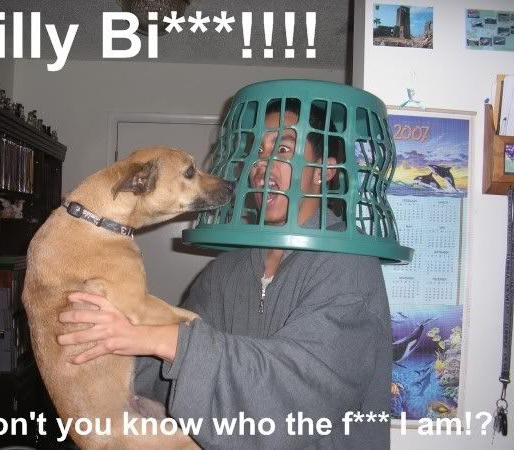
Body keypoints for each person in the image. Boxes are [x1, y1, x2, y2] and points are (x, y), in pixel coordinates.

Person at [57, 99, 392, 449]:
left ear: (323, 170)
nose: (261, 165)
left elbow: (296, 393)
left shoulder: (351, 267)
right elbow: (175, 382)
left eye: (282, 149)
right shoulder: (225, 272)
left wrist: (163, 340)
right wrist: (105, 338)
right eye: (258, 152)